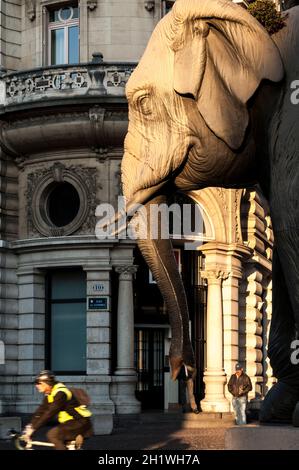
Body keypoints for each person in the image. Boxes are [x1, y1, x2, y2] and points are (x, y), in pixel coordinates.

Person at [22, 370, 93, 450]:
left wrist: (34, 428)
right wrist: (31, 426)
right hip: (71, 422)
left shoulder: (61, 394)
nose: (36, 386)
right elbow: (41, 411)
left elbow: (50, 413)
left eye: (39, 383)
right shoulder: (50, 393)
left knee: (53, 435)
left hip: (80, 422)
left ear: (47, 383)